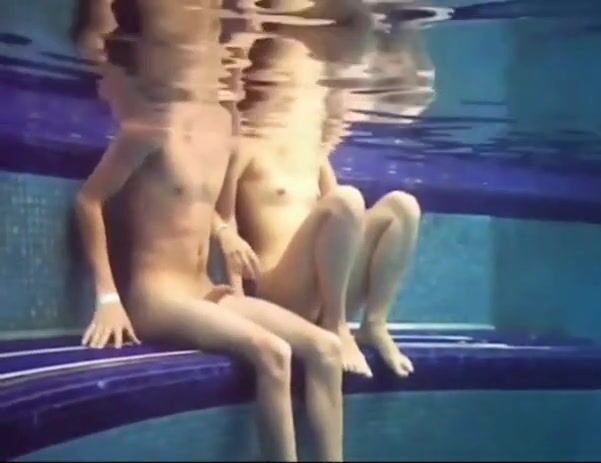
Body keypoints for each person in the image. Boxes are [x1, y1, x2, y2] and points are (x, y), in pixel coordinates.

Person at [73, 1, 343, 460]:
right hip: (156, 297)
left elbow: (212, 211)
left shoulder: (225, 123)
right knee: (273, 353)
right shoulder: (150, 126)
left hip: (205, 290)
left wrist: (227, 239)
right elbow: (88, 200)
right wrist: (108, 298)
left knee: (326, 349)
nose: (229, 59)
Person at [215, 14, 425, 378]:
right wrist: (237, 296)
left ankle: (374, 323)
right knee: (345, 200)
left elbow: (350, 226)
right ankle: (336, 325)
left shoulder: (315, 155)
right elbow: (223, 217)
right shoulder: (247, 146)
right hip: (280, 290)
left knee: (401, 207)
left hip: (327, 289)